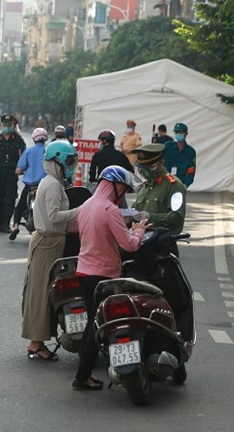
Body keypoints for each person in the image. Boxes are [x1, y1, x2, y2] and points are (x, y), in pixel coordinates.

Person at [73, 166, 148, 391]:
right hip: (104, 276)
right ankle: (82, 375)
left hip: (84, 272)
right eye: (123, 190)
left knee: (92, 324)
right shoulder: (110, 210)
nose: (123, 195)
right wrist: (139, 230)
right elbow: (129, 245)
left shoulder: (86, 206)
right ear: (115, 187)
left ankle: (83, 373)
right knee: (102, 326)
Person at [21, 140, 81, 360]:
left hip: (48, 242)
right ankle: (36, 342)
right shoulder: (54, 184)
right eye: (69, 161)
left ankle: (36, 341)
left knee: (42, 292)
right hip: (49, 243)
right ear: (57, 161)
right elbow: (55, 216)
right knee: (42, 295)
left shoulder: (50, 181)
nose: (71, 166)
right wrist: (80, 211)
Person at [132, 143, 187, 235]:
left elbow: (177, 217)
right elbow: (135, 210)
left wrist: (150, 217)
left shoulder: (173, 185)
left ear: (161, 163)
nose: (145, 171)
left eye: (149, 167)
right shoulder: (146, 185)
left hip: (161, 241)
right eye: (142, 168)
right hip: (142, 238)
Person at [0, 114, 27, 233]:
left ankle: (7, 223)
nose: (6, 127)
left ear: (13, 126)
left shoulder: (18, 140)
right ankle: (0, 221)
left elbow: (24, 155)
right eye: (4, 125)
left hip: (11, 172)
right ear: (1, 125)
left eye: (9, 125)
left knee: (10, 197)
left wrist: (21, 167)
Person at [10, 127, 48, 239]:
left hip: (30, 186)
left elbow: (19, 169)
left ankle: (16, 226)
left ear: (34, 139)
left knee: (20, 206)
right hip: (45, 185)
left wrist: (22, 171)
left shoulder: (29, 151)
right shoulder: (48, 151)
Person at [163, 122, 196, 188]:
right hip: (165, 182)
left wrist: (186, 185)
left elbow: (191, 170)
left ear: (186, 133)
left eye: (180, 132)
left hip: (180, 184)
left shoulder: (190, 151)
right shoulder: (168, 146)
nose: (178, 134)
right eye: (176, 132)